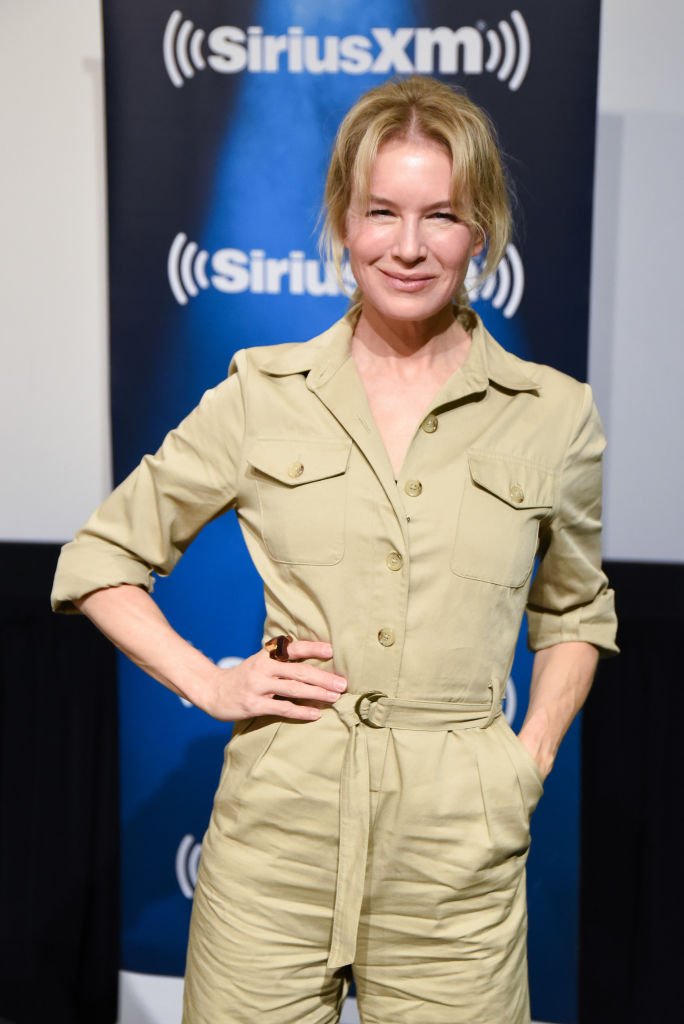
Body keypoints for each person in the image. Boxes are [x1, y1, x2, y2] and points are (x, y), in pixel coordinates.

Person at [52, 76, 618, 1023]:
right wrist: (213, 682)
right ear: (341, 223)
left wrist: (528, 762)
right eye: (381, 212)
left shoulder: (553, 415)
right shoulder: (260, 395)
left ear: (480, 229)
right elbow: (99, 562)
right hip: (276, 846)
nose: (407, 245)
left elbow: (574, 612)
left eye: (440, 215)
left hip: (457, 864)